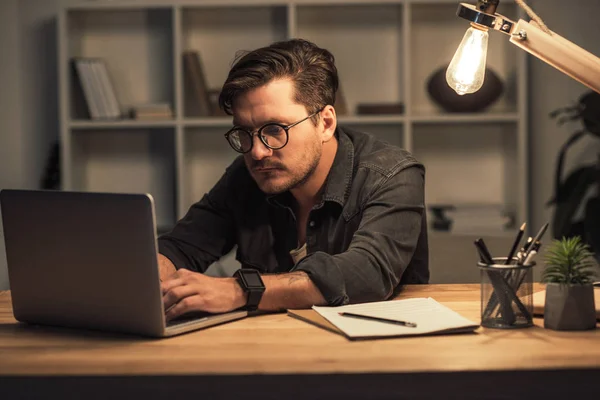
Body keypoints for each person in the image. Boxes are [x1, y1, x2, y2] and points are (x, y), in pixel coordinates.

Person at [158, 39, 428, 321]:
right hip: (272, 350)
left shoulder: (392, 174)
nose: (257, 151)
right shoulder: (247, 174)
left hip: (379, 351)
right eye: (244, 132)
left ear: (325, 123)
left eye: (274, 129)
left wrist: (240, 290)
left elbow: (367, 271)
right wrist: (149, 279)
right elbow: (180, 247)